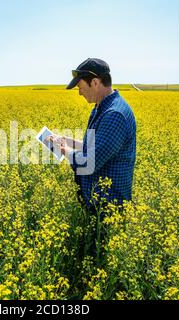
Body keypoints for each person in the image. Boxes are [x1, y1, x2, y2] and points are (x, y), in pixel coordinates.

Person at [48, 58, 137, 259]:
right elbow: (95, 147)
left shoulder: (114, 114)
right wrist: (67, 141)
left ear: (95, 82)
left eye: (81, 86)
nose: (79, 92)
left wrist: (64, 151)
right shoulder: (101, 108)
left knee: (102, 258)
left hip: (108, 205)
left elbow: (91, 161)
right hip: (98, 200)